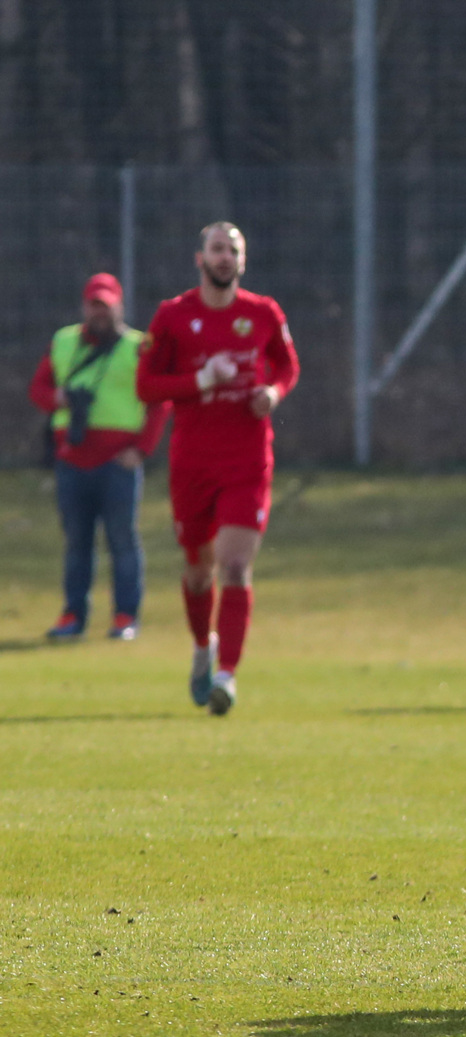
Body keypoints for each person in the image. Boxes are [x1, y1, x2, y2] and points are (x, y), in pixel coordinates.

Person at [136, 222, 300, 716]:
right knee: (197, 570)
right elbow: (148, 387)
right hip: (192, 463)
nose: (224, 257)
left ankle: (226, 675)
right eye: (217, 249)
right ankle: (201, 647)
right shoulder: (172, 316)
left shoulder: (264, 312)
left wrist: (272, 394)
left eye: (233, 250)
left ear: (242, 261)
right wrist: (200, 380)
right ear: (199, 257)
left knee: (234, 565)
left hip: (248, 460)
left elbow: (288, 366)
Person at [28, 274, 168, 641]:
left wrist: (141, 450)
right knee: (76, 543)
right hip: (72, 460)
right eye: (94, 306)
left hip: (117, 464)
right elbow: (38, 388)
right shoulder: (63, 341)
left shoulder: (139, 347)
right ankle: (73, 615)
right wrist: (59, 398)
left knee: (123, 540)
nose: (100, 313)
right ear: (84, 307)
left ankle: (125, 616)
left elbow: (159, 402)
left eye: (106, 306)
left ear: (119, 306)